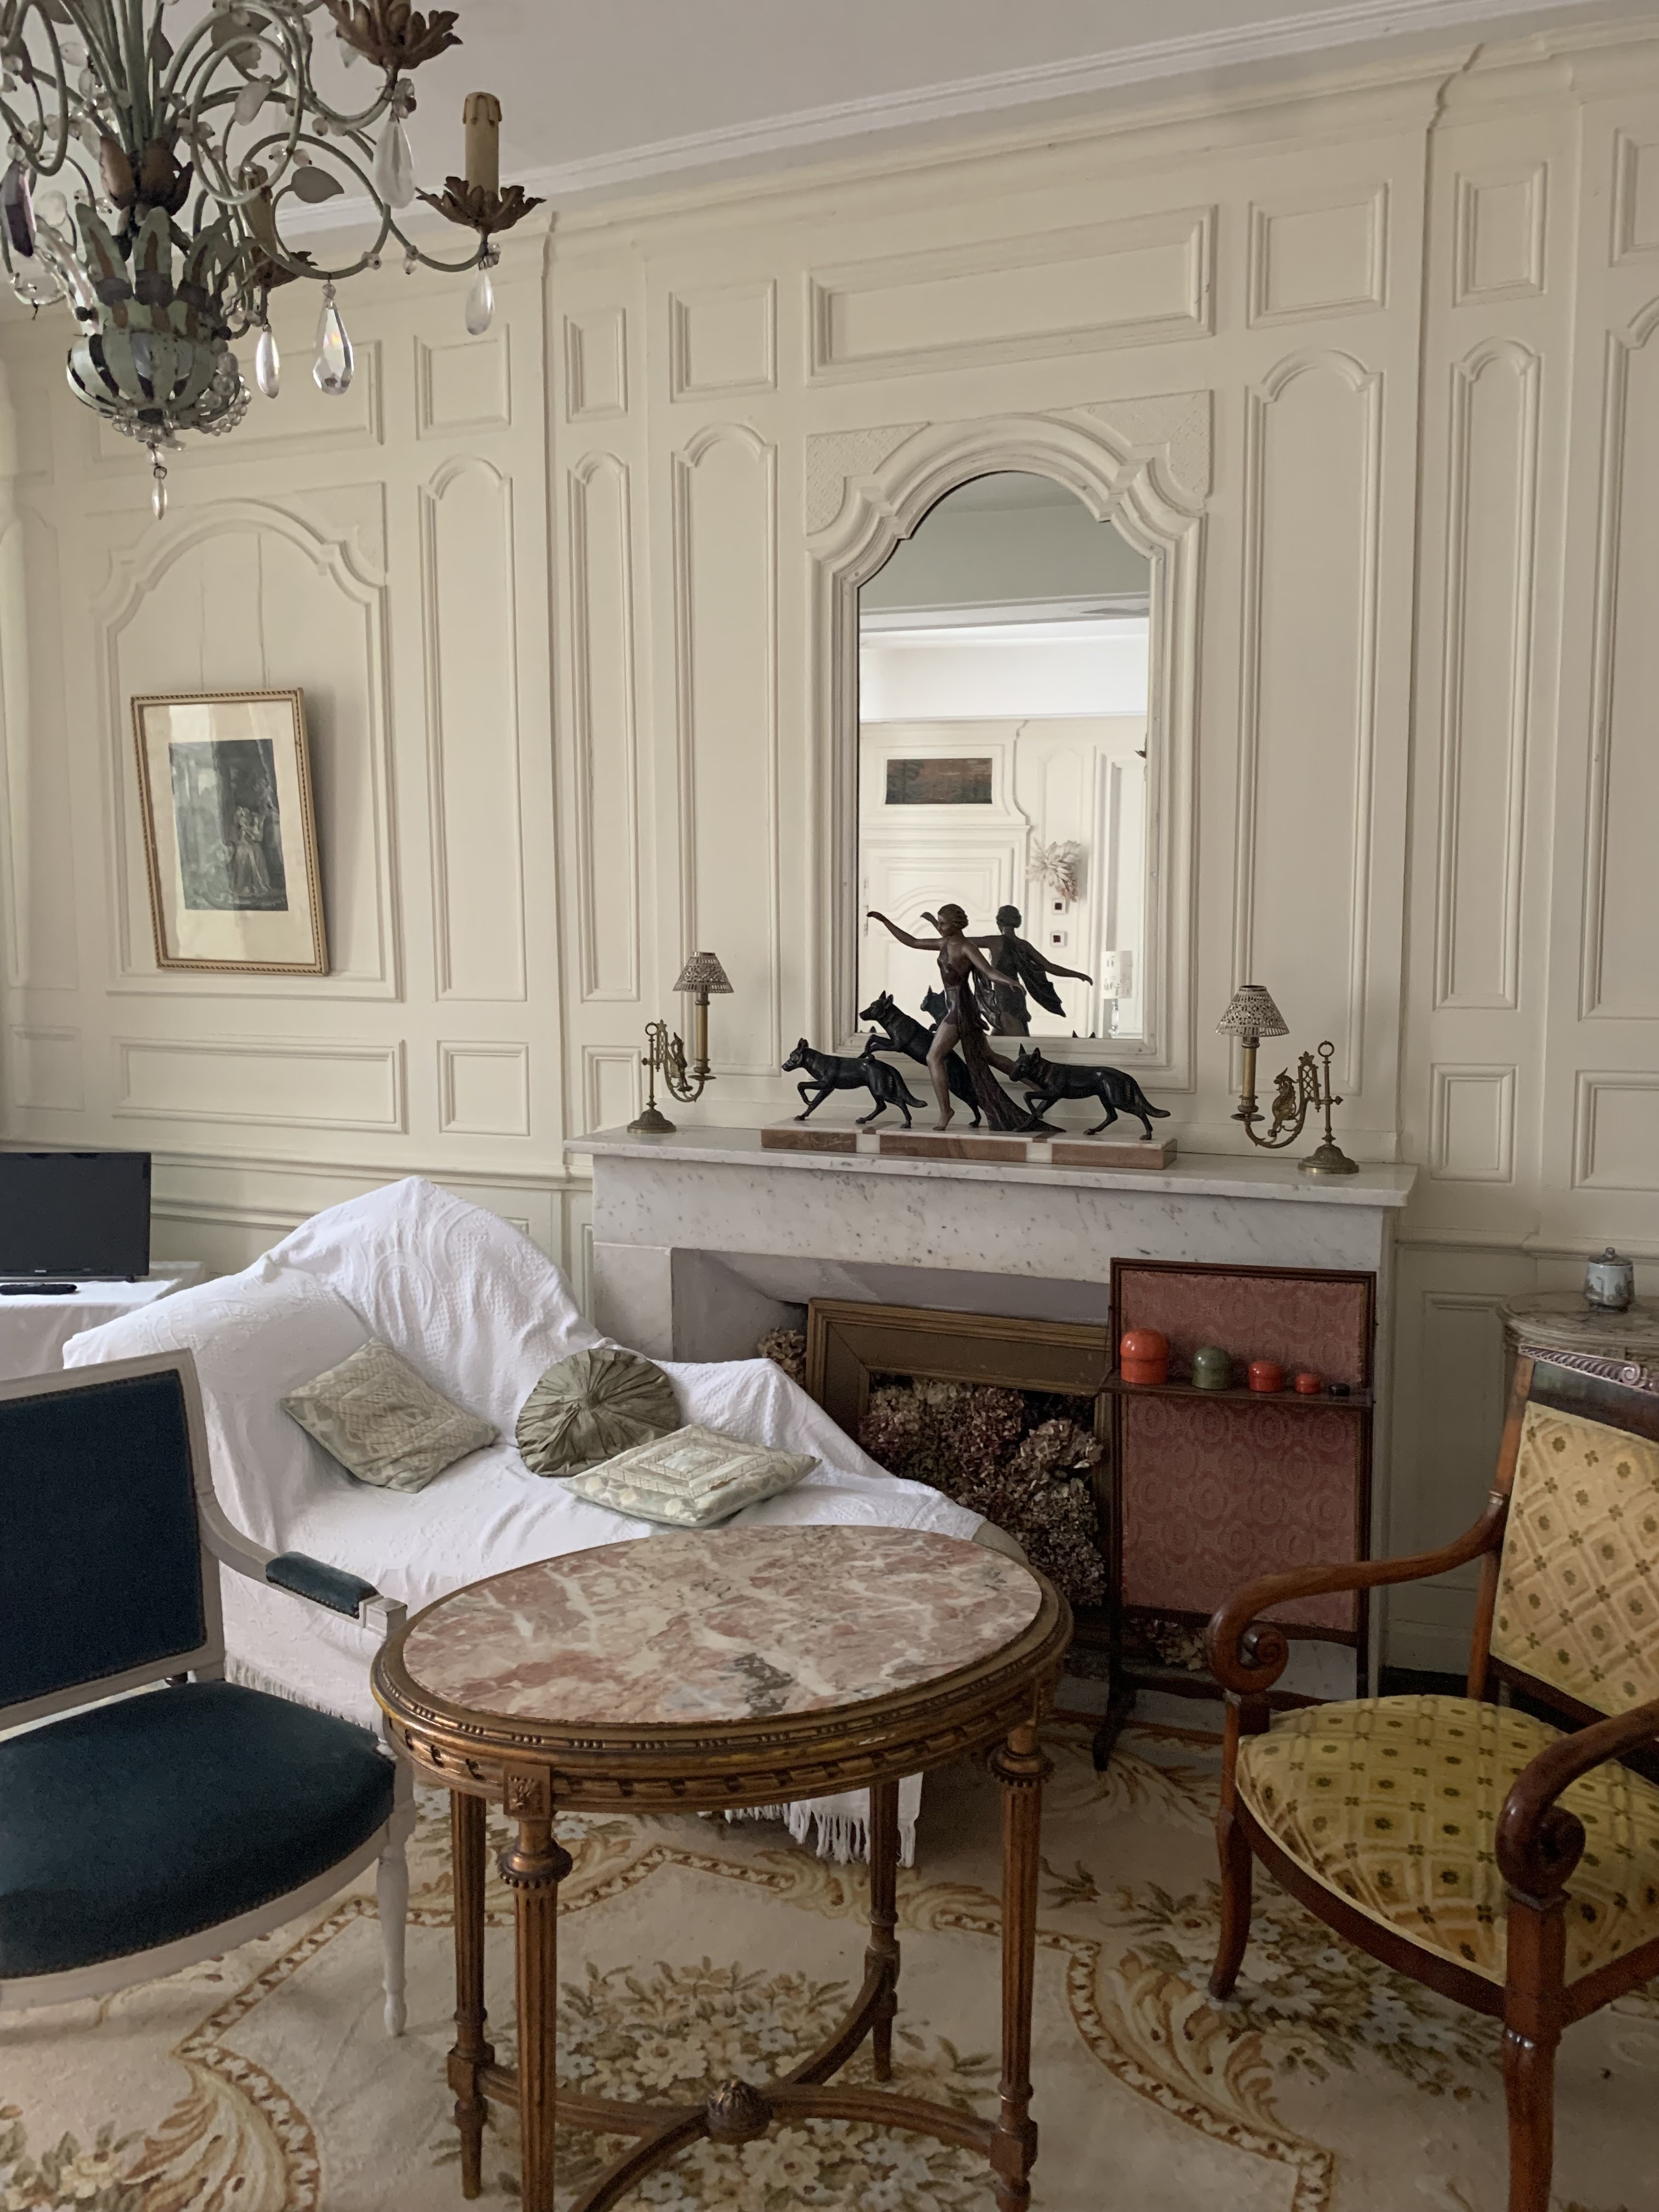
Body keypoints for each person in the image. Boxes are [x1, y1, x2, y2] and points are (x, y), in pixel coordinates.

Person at [866, 905, 1026, 1131]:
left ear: (955, 924)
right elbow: (912, 942)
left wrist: (1011, 982)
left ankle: (946, 1111)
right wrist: (885, 921)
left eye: (943, 923)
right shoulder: (945, 943)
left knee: (933, 1057)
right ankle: (1036, 1082)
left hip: (960, 1011)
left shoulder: (967, 947)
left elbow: (989, 972)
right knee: (988, 1055)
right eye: (939, 923)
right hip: (955, 1008)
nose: (940, 927)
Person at [977, 905, 1093, 1035]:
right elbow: (1049, 967)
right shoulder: (1023, 945)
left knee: (1015, 1040)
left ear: (999, 920)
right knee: (1003, 1037)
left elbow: (964, 943)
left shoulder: (994, 941)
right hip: (1016, 995)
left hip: (1004, 997)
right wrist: (1078, 975)